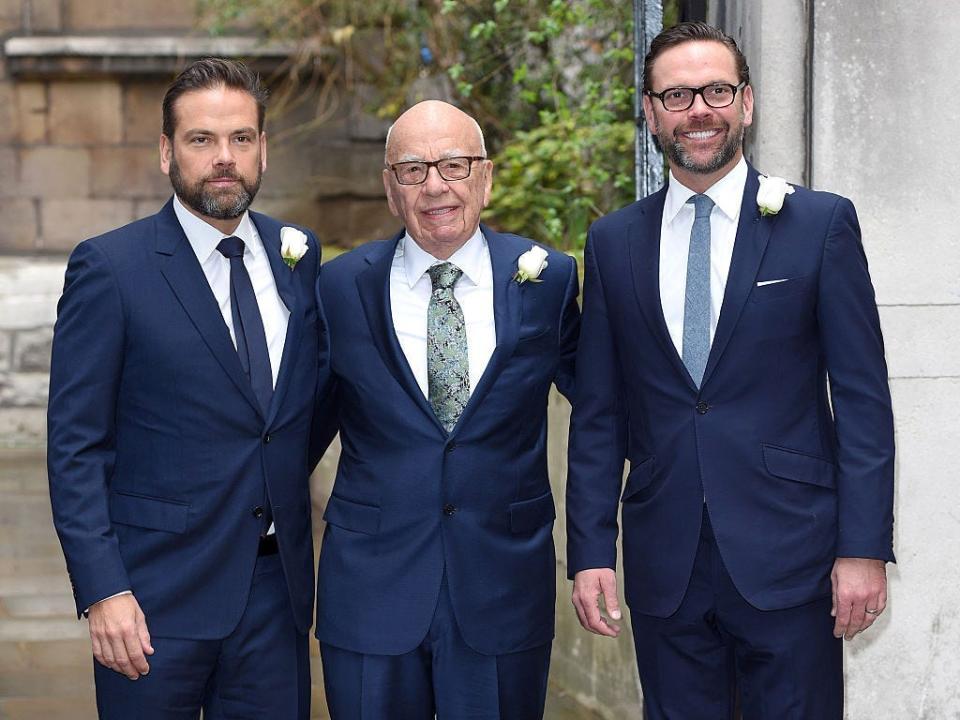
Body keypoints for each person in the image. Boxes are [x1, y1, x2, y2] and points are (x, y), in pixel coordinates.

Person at [566, 22, 895, 720]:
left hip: (792, 558)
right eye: (677, 95)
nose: (699, 110)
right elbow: (599, 413)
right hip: (667, 565)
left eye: (716, 90)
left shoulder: (820, 225)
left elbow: (863, 401)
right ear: (651, 112)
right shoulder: (613, 241)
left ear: (746, 102)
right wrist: (591, 550)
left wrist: (863, 548)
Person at [47, 58, 326, 719]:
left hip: (274, 598)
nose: (223, 158)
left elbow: (296, 414)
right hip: (152, 604)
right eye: (202, 140)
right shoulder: (111, 268)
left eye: (241, 138)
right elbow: (76, 446)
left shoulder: (300, 255)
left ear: (263, 148)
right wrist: (103, 590)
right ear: (167, 152)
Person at [314, 100, 580, 719]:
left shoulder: (548, 281)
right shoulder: (337, 288)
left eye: (454, 165)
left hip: (502, 590)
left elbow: (601, 416)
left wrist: (595, 551)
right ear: (389, 188)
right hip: (370, 595)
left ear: (485, 177)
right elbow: (293, 432)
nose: (435, 185)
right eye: (412, 170)